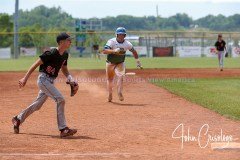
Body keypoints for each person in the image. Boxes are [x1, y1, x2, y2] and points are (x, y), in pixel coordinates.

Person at [12, 32, 78, 138]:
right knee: (60, 99)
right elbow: (36, 64)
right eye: (68, 40)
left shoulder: (65, 54)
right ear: (61, 42)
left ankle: (18, 119)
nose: (70, 41)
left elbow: (64, 68)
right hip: (43, 80)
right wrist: (25, 78)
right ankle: (63, 129)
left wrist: (70, 78)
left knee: (37, 105)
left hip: (50, 81)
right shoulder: (51, 53)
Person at [102, 27, 142, 102]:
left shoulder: (127, 44)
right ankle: (110, 94)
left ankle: (119, 92)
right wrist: (113, 51)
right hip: (110, 63)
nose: (121, 36)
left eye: (122, 35)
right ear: (116, 35)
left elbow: (134, 51)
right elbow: (104, 51)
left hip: (120, 63)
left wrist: (138, 61)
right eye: (119, 35)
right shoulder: (111, 41)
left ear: (125, 36)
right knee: (110, 79)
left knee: (120, 77)